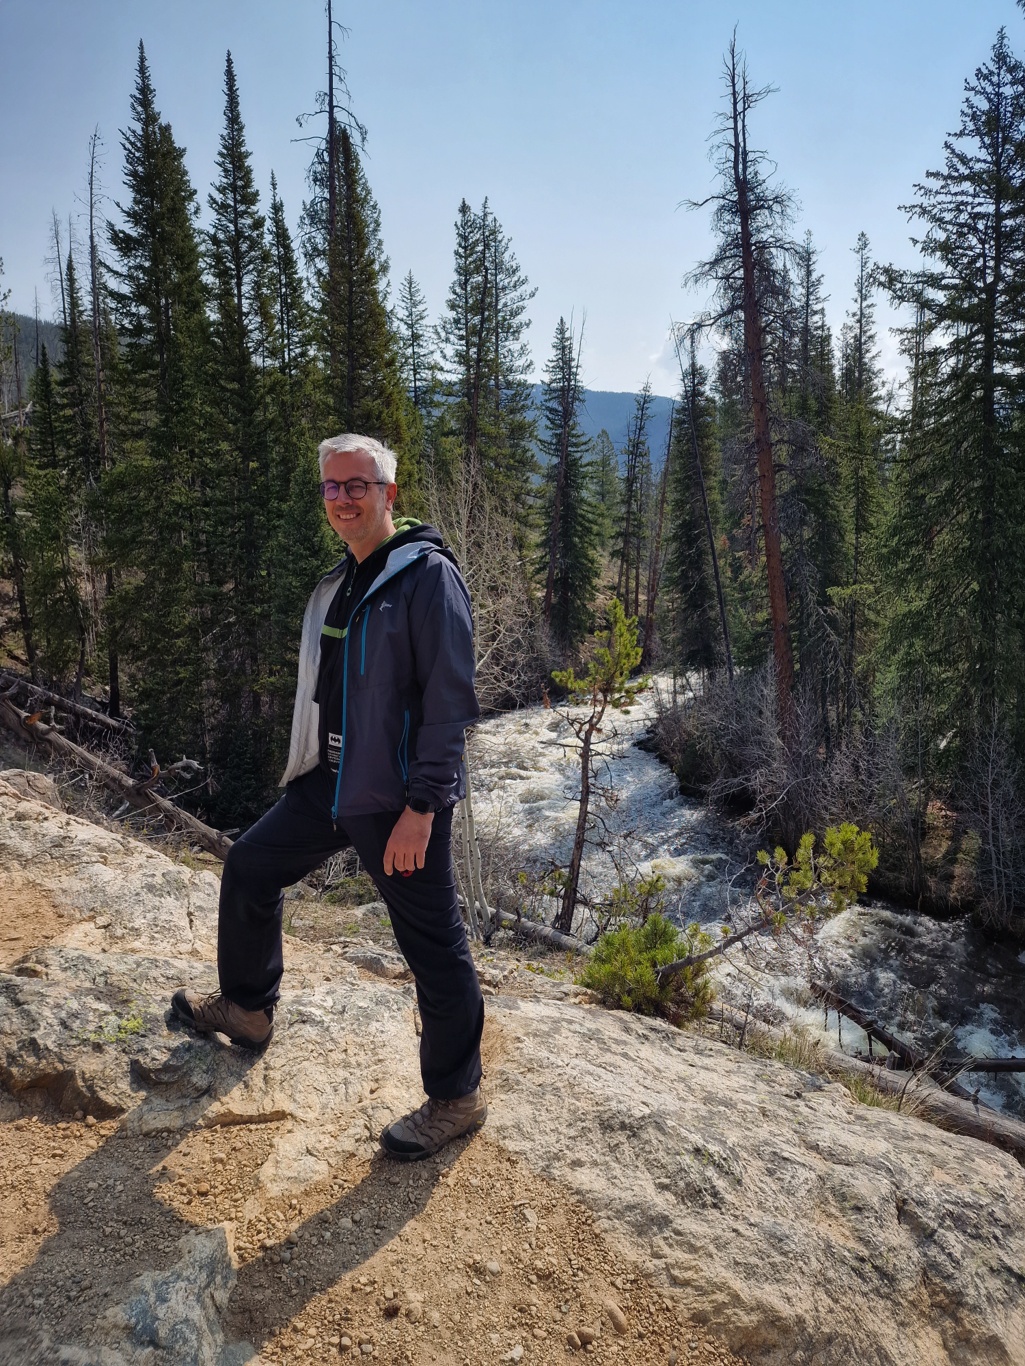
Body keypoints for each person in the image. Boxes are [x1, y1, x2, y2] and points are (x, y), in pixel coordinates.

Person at [171, 434, 486, 1161]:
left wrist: (423, 808)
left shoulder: (426, 577)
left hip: (396, 797)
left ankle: (456, 1097)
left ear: (389, 494)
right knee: (250, 866)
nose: (343, 498)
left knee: (433, 947)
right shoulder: (346, 576)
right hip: (334, 780)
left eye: (358, 485)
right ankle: (248, 1008)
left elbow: (449, 706)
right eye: (332, 487)